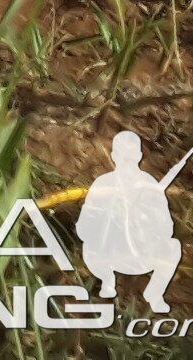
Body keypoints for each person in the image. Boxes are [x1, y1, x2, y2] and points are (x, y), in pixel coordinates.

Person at [78, 132, 181, 312]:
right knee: (89, 247)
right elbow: (84, 227)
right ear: (114, 157)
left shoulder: (150, 184)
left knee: (173, 247)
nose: (127, 161)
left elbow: (166, 228)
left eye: (131, 156)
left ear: (140, 156)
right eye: (124, 156)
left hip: (142, 254)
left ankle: (155, 293)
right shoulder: (103, 183)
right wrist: (108, 222)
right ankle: (107, 280)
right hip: (109, 254)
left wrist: (145, 222)